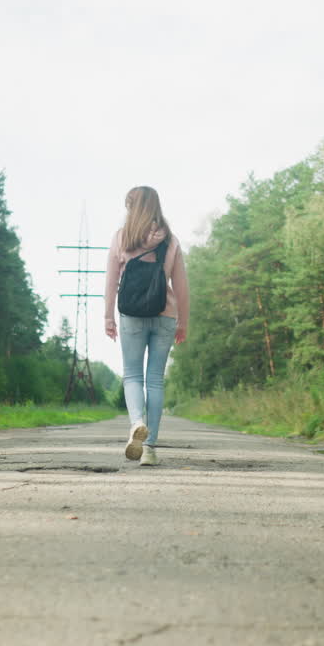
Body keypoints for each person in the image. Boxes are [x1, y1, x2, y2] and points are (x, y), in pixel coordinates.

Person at [104, 186, 189, 466]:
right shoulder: (171, 240)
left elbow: (111, 281)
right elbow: (181, 285)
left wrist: (108, 317)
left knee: (132, 376)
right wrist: (183, 321)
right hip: (164, 314)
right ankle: (149, 448)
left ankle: (136, 424)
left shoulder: (122, 237)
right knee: (154, 379)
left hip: (131, 314)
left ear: (132, 207)